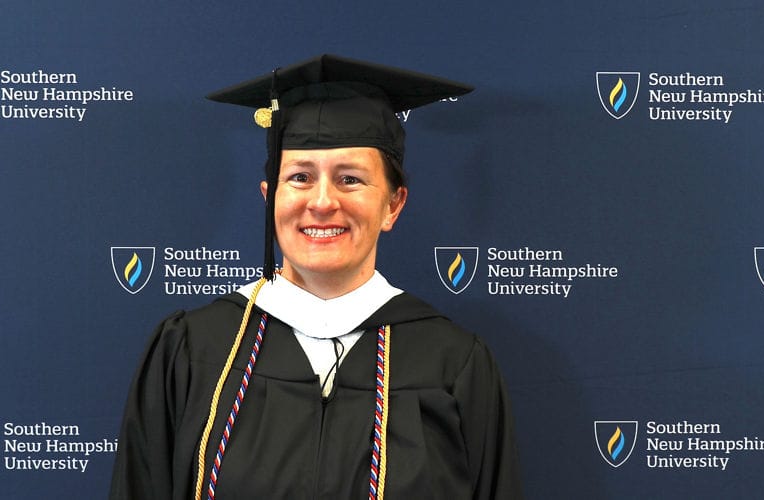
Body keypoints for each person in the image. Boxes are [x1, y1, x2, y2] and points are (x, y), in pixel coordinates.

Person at [110, 54, 523, 499]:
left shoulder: (454, 364)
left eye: (350, 179)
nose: (323, 202)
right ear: (270, 199)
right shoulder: (194, 350)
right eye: (301, 177)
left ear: (393, 205)